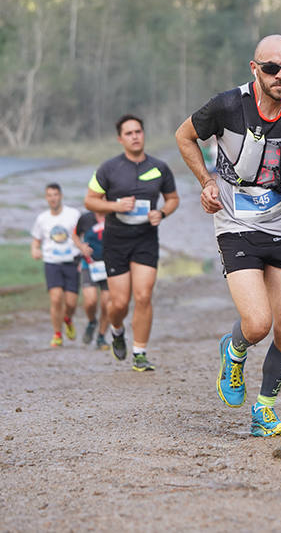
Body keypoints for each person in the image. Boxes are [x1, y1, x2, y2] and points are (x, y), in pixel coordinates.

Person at [175, 34, 281, 437]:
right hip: (236, 224)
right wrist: (206, 181)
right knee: (258, 322)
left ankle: (264, 411)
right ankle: (235, 350)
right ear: (254, 68)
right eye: (271, 68)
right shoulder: (227, 105)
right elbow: (184, 136)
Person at [84, 114, 179, 371]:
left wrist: (162, 213)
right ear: (120, 139)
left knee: (144, 295)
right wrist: (114, 205)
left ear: (143, 134)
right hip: (116, 240)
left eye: (138, 131)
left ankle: (139, 353)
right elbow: (90, 201)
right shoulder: (108, 168)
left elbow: (172, 198)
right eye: (129, 133)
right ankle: (116, 329)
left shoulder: (159, 167)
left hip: (146, 238)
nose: (135, 136)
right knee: (119, 303)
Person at [30, 183, 86, 347]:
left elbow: (84, 235)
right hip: (51, 262)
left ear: (60, 196)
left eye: (55, 194)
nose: (53, 198)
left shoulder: (74, 214)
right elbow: (36, 240)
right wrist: (35, 250)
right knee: (56, 299)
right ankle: (57, 334)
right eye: (49, 195)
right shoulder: (42, 218)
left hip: (72, 261)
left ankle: (68, 319)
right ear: (46, 198)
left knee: (71, 303)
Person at [75, 209, 111, 350]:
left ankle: (101, 337)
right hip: (89, 264)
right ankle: (91, 322)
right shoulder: (85, 218)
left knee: (106, 304)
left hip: (110, 265)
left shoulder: (114, 216)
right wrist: (81, 246)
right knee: (90, 302)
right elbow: (75, 235)